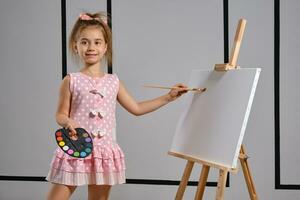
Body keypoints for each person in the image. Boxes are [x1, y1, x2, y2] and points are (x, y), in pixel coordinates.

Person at [46, 12, 189, 200]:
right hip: (76, 148)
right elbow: (60, 114)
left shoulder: (113, 82)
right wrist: (68, 121)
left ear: (105, 47)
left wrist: (168, 97)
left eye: (97, 42)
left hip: (104, 152)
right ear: (75, 46)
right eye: (84, 42)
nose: (91, 47)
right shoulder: (71, 80)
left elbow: (136, 108)